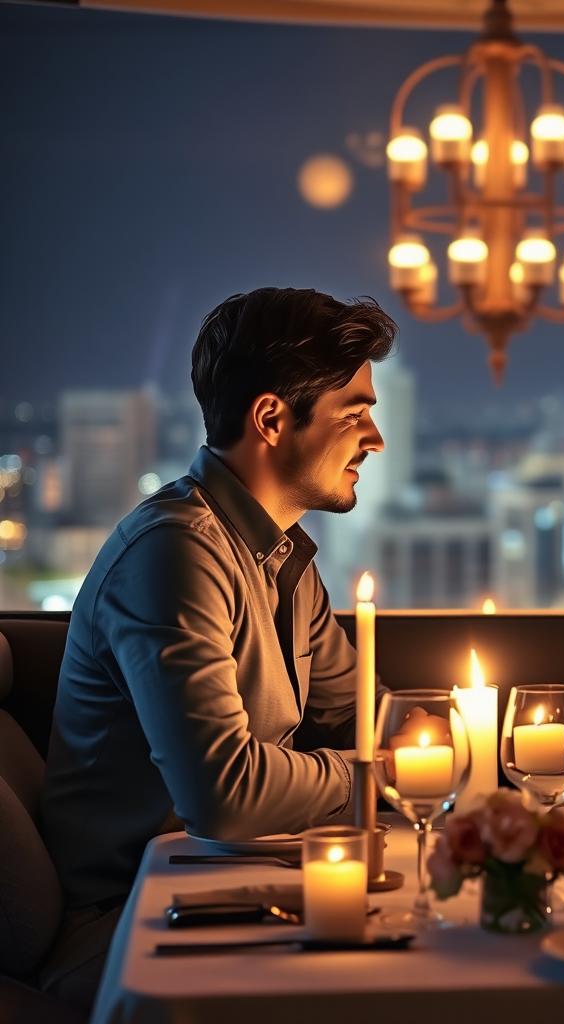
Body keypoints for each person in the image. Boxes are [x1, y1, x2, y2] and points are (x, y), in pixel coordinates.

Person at [40, 287, 396, 1005]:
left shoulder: (285, 557)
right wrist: (380, 773)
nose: (375, 439)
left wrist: (422, 746)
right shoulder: (174, 553)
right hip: (131, 919)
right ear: (271, 418)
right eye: (355, 414)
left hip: (232, 877)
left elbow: (364, 713)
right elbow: (224, 796)